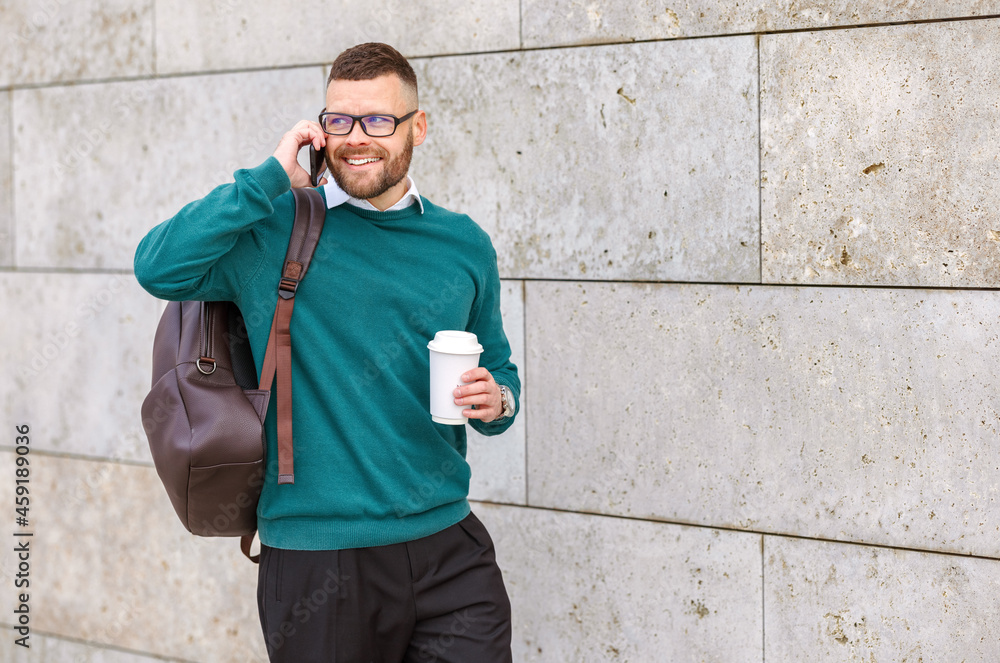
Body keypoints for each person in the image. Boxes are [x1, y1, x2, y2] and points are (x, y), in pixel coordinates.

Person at [134, 42, 518, 662]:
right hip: (319, 557)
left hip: (450, 547)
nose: (355, 138)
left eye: (377, 121)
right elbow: (157, 266)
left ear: (417, 127)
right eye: (339, 120)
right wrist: (264, 181)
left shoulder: (464, 244)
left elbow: (499, 369)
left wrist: (496, 397)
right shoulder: (275, 227)